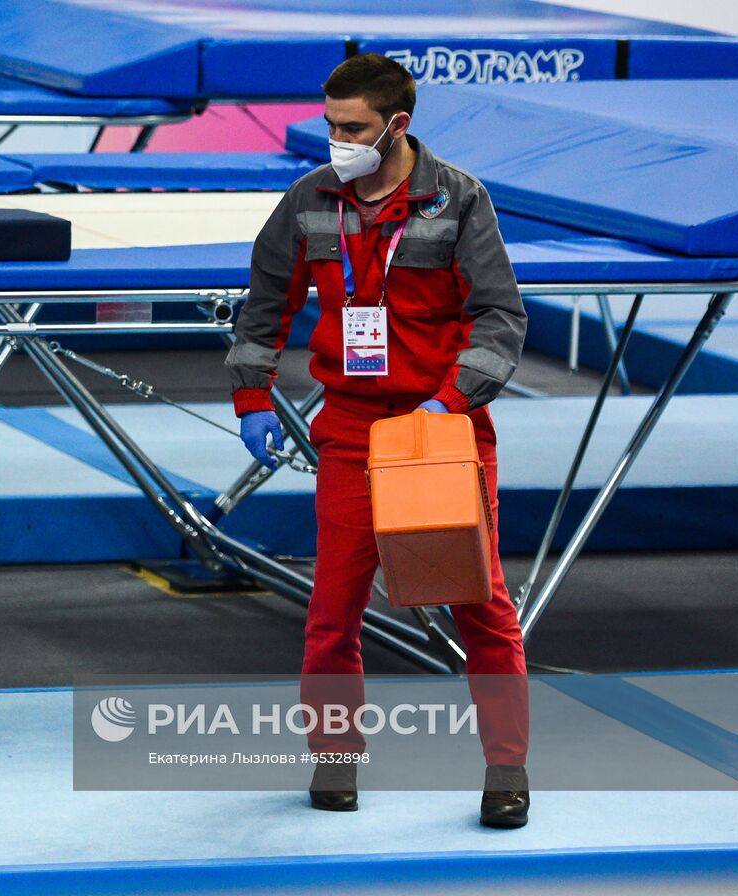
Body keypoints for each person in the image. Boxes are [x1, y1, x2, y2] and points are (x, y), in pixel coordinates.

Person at [225, 53, 530, 828]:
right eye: (330, 124)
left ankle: (506, 766)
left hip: (440, 427)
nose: (336, 139)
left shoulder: (460, 200)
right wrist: (252, 396)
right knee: (333, 610)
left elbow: (500, 318)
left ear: (398, 125)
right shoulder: (308, 200)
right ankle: (334, 758)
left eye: (352, 128)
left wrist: (450, 403)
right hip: (353, 433)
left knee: (481, 604)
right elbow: (264, 301)